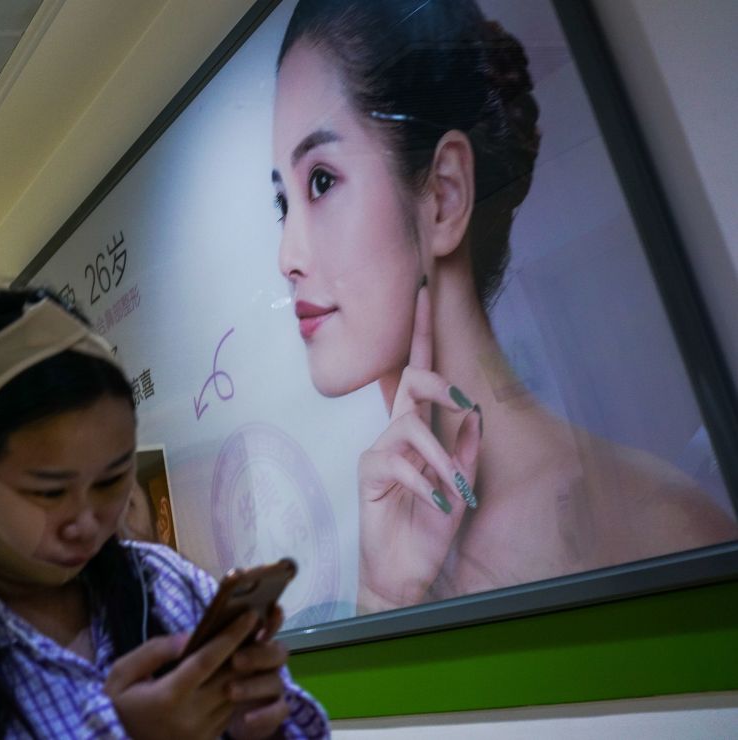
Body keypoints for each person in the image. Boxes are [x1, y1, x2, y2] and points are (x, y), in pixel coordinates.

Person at [270, 0, 737, 613]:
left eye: (322, 181)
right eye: (283, 202)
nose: (287, 255)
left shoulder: (659, 526)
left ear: (444, 194)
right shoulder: (388, 552)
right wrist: (382, 594)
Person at [0, 287, 328, 738]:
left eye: (111, 481)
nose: (87, 522)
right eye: (48, 492)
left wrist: (255, 726)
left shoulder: (165, 584)